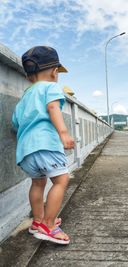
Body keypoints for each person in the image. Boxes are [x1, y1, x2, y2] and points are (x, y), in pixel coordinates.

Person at [12, 46, 74, 245]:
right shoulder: (51, 87)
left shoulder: (23, 98)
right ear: (55, 71)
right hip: (46, 145)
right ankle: (49, 225)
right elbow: (52, 106)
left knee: (37, 183)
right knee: (61, 180)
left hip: (25, 151)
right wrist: (64, 133)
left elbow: (15, 124)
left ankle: (37, 222)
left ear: (28, 74)